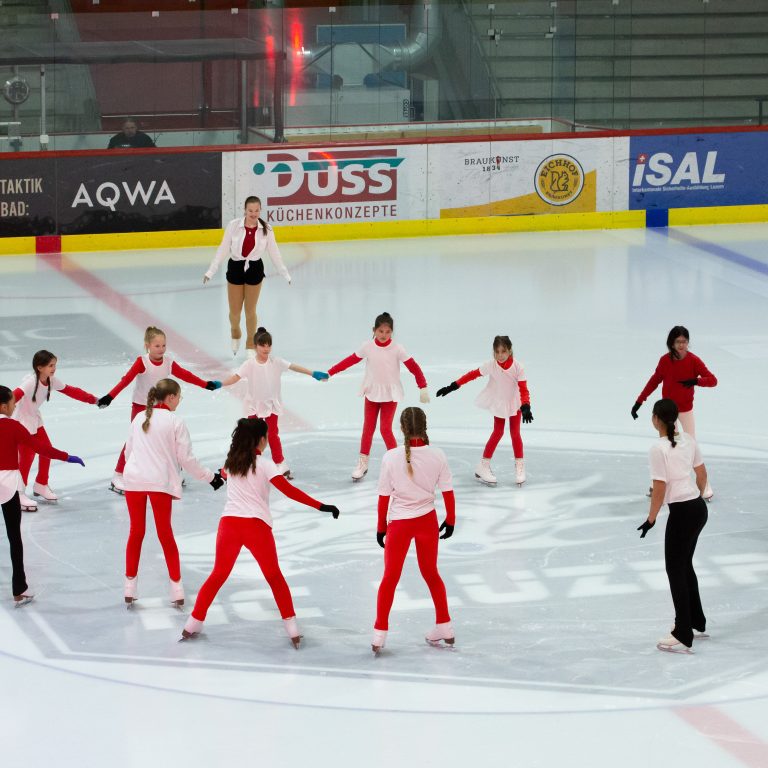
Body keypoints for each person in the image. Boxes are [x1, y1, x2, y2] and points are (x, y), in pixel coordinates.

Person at [180, 417, 339, 647]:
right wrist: (322, 506)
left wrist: (217, 477)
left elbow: (222, 475)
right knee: (274, 577)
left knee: (218, 575)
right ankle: (292, 627)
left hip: (230, 526)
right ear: (262, 440)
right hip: (256, 527)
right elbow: (289, 491)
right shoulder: (265, 465)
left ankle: (192, 623)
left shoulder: (232, 461)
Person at [121, 378, 224, 608]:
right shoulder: (175, 421)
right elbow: (186, 458)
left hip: (134, 481)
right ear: (170, 398)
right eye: (179, 397)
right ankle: (176, 588)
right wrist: (210, 477)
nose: (179, 401)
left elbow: (128, 451)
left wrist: (137, 471)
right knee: (165, 534)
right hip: (159, 482)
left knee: (136, 532)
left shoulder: (139, 417)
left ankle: (130, 586)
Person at [97, 326, 221, 494]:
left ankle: (170, 471)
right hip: (141, 406)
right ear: (147, 345)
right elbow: (126, 380)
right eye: (157, 346)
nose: (161, 349)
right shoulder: (142, 362)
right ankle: (118, 474)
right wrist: (110, 396)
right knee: (135, 439)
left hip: (161, 407)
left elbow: (185, 374)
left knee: (166, 437)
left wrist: (205, 384)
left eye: (163, 345)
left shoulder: (168, 361)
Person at [372, 406, 455, 654]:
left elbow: (384, 496)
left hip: (399, 524)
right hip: (427, 522)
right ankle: (445, 625)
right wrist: (450, 520)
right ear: (425, 426)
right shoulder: (438, 455)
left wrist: (381, 527)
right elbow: (448, 491)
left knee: (390, 578)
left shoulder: (391, 457)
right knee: (431, 573)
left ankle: (379, 633)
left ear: (401, 428)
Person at [637, 398, 709, 654]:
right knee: (685, 565)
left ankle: (682, 631)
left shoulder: (658, 448)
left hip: (682, 512)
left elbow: (660, 487)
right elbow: (701, 474)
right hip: (698, 509)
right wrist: (697, 497)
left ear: (656, 419)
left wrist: (651, 518)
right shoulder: (688, 439)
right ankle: (696, 620)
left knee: (675, 569)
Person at [0, 385, 84, 605]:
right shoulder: (14, 426)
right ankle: (19, 588)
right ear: (4, 406)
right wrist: (67, 457)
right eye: (12, 403)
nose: (14, 405)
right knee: (13, 537)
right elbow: (41, 448)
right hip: (7, 485)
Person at [324, 311, 429, 481]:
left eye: (388, 332)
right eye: (381, 331)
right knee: (368, 428)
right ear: (374, 330)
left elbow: (414, 367)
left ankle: (397, 463)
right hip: (372, 392)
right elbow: (349, 361)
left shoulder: (397, 348)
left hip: (390, 393)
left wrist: (422, 386)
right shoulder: (367, 346)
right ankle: (363, 462)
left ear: (392, 332)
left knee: (385, 429)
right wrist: (330, 372)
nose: (384, 335)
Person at [221, 327, 328, 478]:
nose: (266, 348)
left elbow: (293, 366)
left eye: (268, 345)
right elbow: (235, 378)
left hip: (271, 405)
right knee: (250, 437)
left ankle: (280, 465)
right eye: (262, 345)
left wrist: (313, 373)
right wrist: (220, 384)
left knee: (272, 434)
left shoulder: (276, 362)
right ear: (255, 346)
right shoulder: (249, 364)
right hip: (254, 406)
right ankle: (232, 465)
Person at [631, 325, 717, 499]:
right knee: (669, 446)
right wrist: (639, 401)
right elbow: (654, 381)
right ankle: (658, 485)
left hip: (685, 409)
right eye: (678, 342)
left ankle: (704, 485)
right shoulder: (665, 361)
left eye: (684, 341)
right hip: (669, 412)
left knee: (691, 445)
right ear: (671, 343)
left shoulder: (694, 361)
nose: (681, 345)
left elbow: (713, 380)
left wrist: (696, 381)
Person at [435, 334, 532, 487]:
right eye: (497, 352)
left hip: (515, 403)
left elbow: (523, 388)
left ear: (510, 351)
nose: (500, 355)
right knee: (498, 432)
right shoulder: (490, 365)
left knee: (515, 433)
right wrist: (453, 385)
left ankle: (520, 466)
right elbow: (472, 375)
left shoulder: (518, 367)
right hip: (499, 402)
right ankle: (483, 466)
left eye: (503, 351)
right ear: (493, 352)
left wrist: (526, 405)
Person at [203, 196, 291, 358]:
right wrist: (211, 270)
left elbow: (274, 252)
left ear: (260, 210)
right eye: (250, 210)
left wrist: (284, 272)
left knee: (250, 311)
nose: (254, 213)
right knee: (235, 313)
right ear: (245, 210)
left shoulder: (266, 229)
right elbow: (223, 249)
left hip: (255, 268)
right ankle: (235, 332)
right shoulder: (233, 226)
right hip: (235, 267)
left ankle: (250, 343)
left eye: (257, 210)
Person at [13, 350, 97, 511]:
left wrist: (93, 400)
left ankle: (41, 484)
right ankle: (18, 492)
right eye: (50, 365)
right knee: (26, 458)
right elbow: (14, 396)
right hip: (21, 423)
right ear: (39, 367)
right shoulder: (30, 382)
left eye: (55, 365)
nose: (54, 368)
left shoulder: (51, 380)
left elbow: (72, 391)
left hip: (35, 421)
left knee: (47, 451)